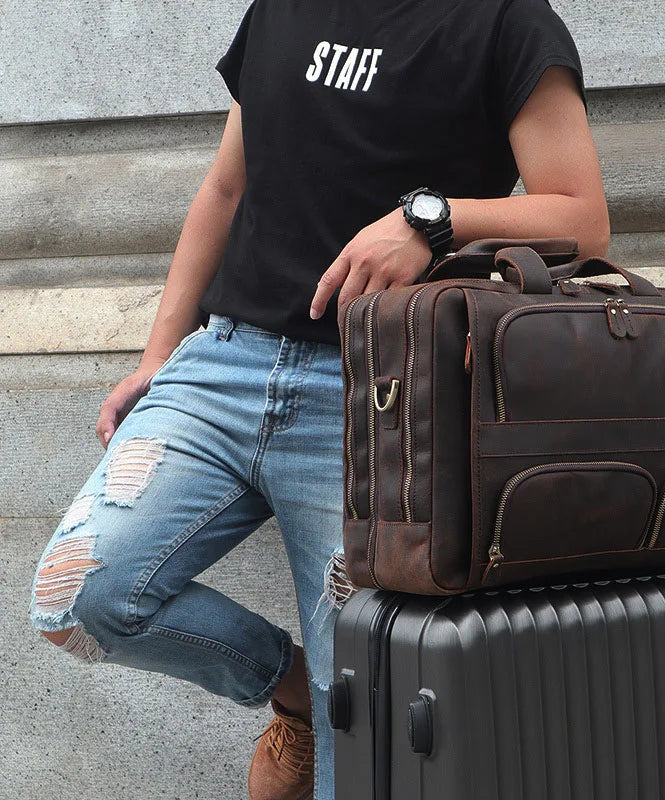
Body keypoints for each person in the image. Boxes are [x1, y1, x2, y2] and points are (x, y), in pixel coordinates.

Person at [29, 0, 609, 798]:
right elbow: (227, 188)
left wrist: (427, 223)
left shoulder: (504, 20)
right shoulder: (280, 10)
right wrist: (158, 358)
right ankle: (292, 690)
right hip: (222, 364)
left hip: (380, 394)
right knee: (77, 598)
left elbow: (582, 217)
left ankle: (325, 705)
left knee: (363, 726)